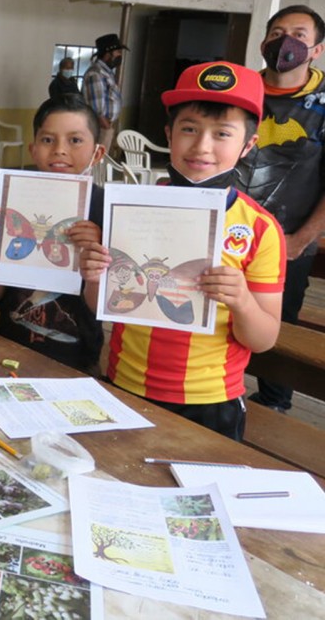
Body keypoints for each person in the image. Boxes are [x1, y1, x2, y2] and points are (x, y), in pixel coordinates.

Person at [79, 62, 284, 440]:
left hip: (210, 400)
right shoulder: (130, 208)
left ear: (248, 144)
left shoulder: (259, 229)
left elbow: (264, 338)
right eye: (189, 129)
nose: (202, 146)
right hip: (124, 385)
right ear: (169, 134)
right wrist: (94, 278)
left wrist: (242, 301)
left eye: (222, 133)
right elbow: (100, 304)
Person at [0, 94, 105, 372]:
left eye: (75, 140)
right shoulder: (13, 198)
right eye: (48, 140)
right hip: (8, 346)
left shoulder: (103, 209)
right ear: (33, 149)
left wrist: (96, 258)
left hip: (75, 360)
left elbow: (101, 306)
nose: (59, 150)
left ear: (97, 153)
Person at [238, 4, 325, 413]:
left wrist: (300, 240)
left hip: (289, 241)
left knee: (279, 323)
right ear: (263, 43)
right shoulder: (241, 93)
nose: (285, 42)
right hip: (229, 232)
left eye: (299, 35)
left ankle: (273, 404)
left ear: (317, 50)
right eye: (276, 33)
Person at [82, 33, 127, 151]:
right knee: (96, 159)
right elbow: (97, 109)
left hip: (105, 126)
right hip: (100, 127)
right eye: (118, 52)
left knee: (101, 159)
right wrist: (106, 129)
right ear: (107, 54)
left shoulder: (106, 73)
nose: (120, 56)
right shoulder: (96, 73)